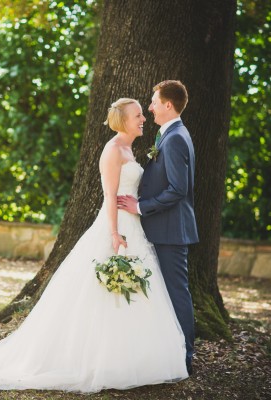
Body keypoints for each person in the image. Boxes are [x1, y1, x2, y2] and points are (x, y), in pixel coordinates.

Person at [0, 98, 189, 393]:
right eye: (137, 115)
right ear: (123, 120)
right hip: (116, 228)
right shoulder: (112, 150)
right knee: (102, 292)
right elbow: (109, 196)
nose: (143, 118)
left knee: (131, 292)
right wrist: (113, 234)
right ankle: (100, 361)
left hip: (133, 226)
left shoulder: (128, 149)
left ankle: (133, 358)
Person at [118, 81, 199, 376]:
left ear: (168, 105)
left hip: (171, 229)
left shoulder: (176, 137)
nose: (149, 107)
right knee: (169, 293)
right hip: (164, 228)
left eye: (153, 102)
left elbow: (179, 189)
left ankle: (186, 356)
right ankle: (171, 352)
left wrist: (140, 207)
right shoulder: (169, 134)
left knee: (177, 292)